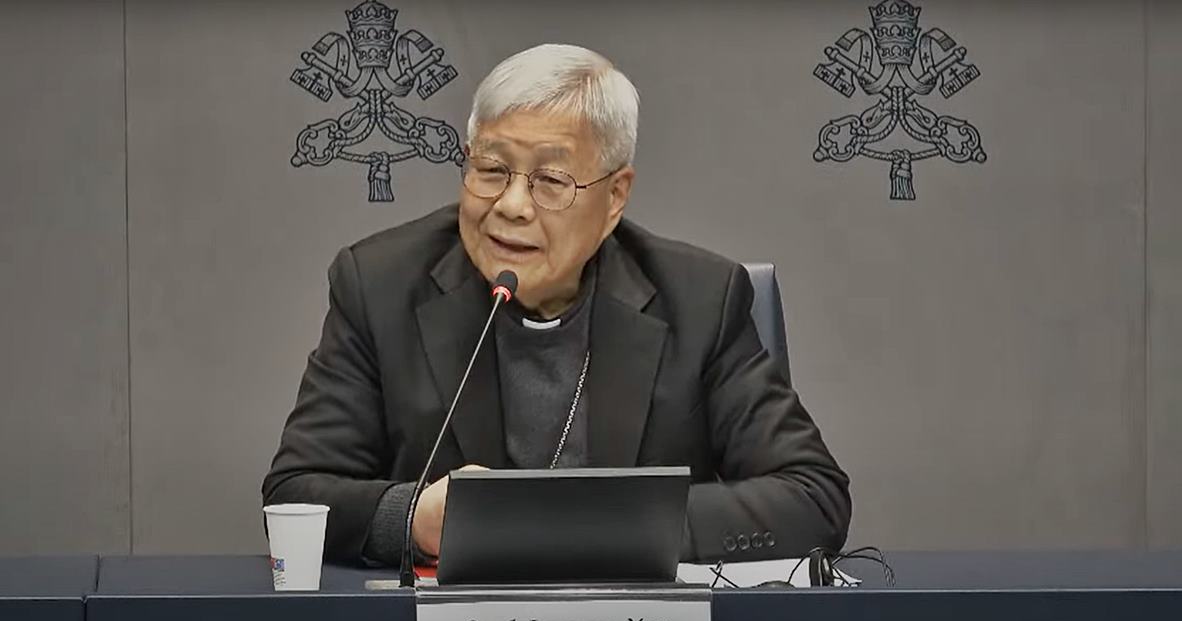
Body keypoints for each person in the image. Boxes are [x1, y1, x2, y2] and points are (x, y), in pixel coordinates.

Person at [262, 43, 850, 566]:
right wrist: (413, 518)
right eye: (491, 169)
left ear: (615, 196)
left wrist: (596, 524)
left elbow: (812, 495)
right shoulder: (380, 283)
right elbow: (295, 493)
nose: (512, 205)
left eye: (550, 180)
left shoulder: (699, 299)